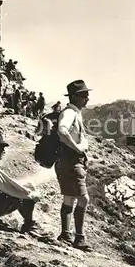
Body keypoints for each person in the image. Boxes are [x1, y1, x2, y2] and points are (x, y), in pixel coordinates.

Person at [55, 80, 92, 251]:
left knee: (69, 197)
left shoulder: (72, 112)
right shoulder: (70, 113)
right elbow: (62, 130)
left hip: (66, 161)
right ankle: (79, 238)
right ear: (75, 96)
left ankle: (65, 234)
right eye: (84, 95)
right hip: (72, 161)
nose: (87, 98)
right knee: (84, 199)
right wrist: (77, 148)